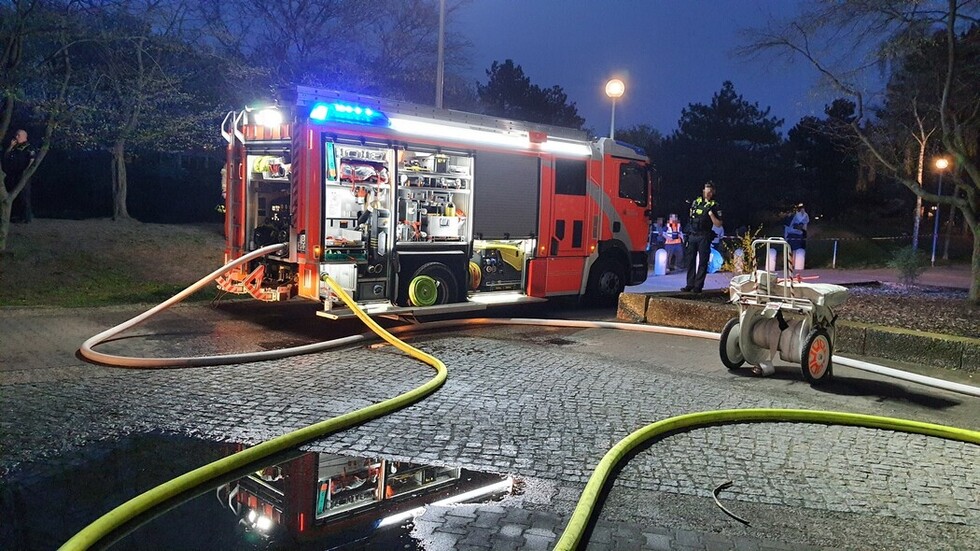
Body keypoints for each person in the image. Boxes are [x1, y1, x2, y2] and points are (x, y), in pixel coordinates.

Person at [681, 181, 723, 293]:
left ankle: (698, 286)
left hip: (704, 236)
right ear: (703, 191)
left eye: (710, 191)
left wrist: (710, 214)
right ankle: (689, 284)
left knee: (703, 262)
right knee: (690, 261)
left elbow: (718, 223)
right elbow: (691, 216)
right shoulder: (696, 202)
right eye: (706, 190)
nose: (708, 193)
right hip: (692, 235)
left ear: (713, 192)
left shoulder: (715, 206)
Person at [3, 129, 36, 222]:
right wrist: (10, 146)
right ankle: (15, 216)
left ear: (24, 136)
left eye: (18, 135)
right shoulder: (14, 147)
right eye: (16, 135)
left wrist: (26, 173)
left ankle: (26, 217)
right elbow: (6, 156)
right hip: (12, 175)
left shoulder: (29, 147)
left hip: (23, 176)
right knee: (12, 195)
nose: (16, 137)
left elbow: (31, 160)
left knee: (24, 196)